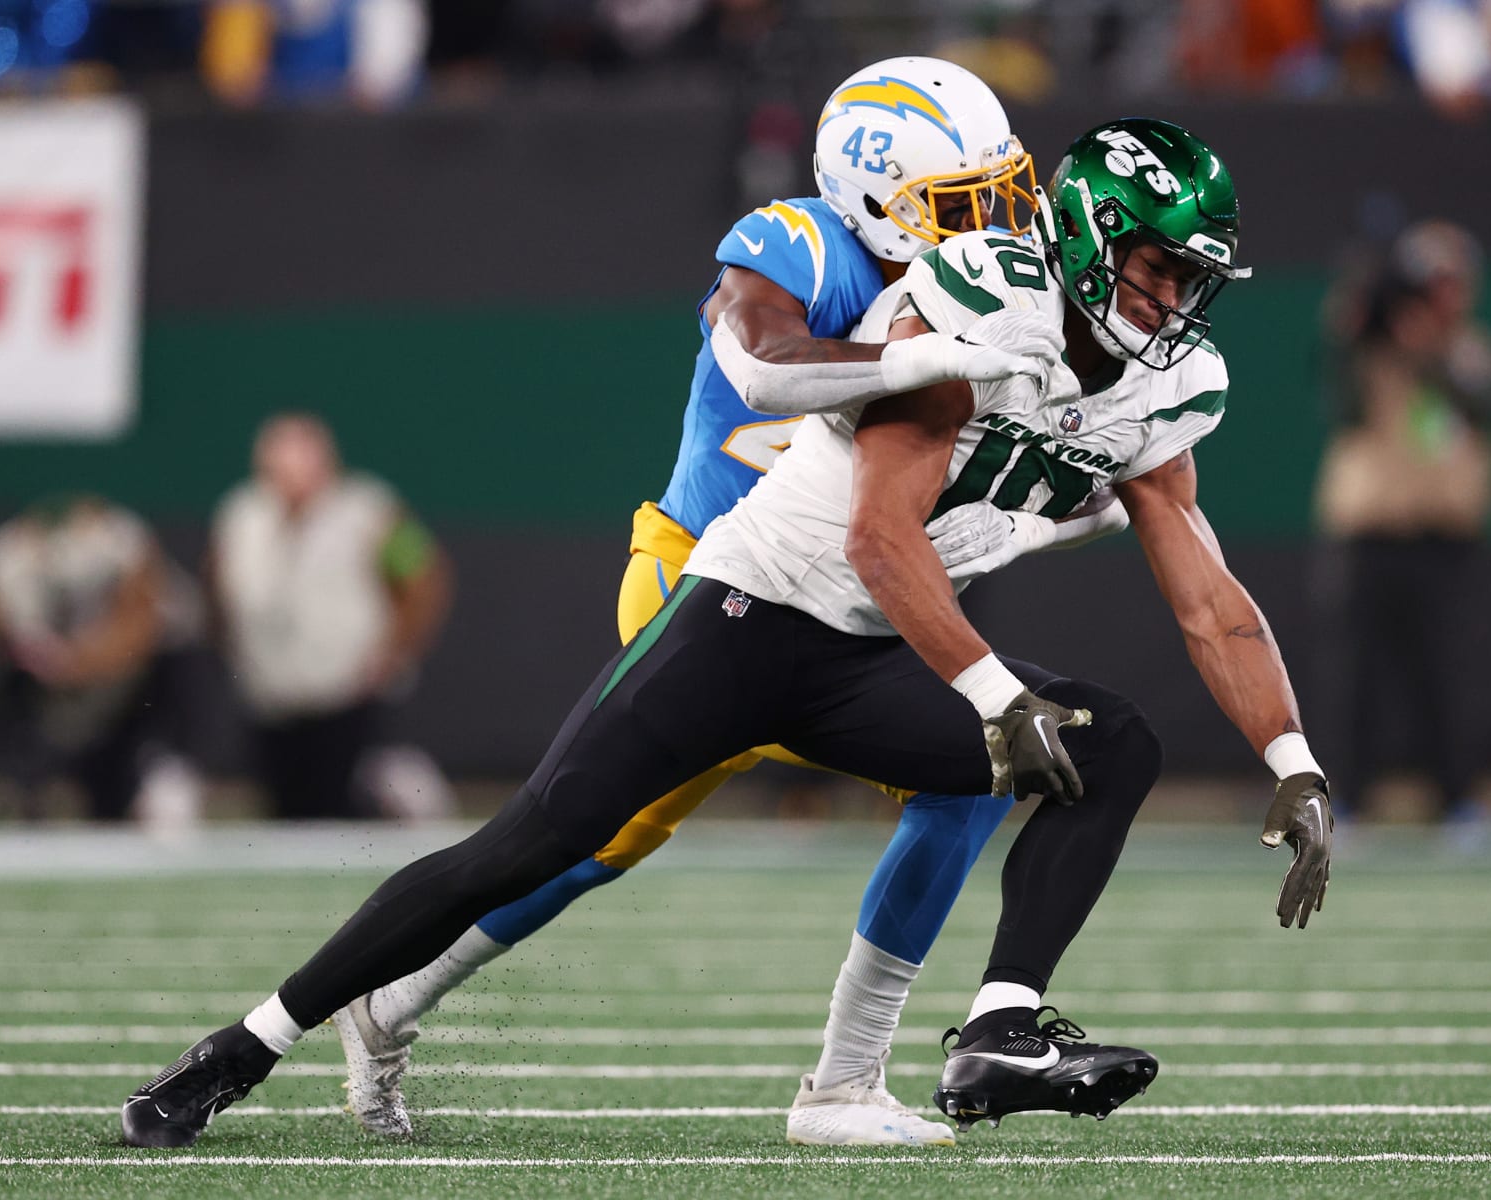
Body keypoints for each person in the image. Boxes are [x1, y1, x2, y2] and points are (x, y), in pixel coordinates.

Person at [119, 117, 1334, 1151]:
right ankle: (244, 1047)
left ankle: (999, 1032)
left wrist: (1290, 757)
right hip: (748, 618)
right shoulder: (985, 302)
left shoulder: (1166, 389)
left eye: (1190, 282)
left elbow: (1209, 597)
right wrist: (988, 689)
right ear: (1086, 237)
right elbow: (878, 538)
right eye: (1157, 271)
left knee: (1109, 744)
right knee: (529, 842)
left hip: (872, 658)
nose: (1171, 303)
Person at [304, 58, 1089, 1148]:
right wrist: (939, 358)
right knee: (593, 840)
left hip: (850, 610)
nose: (988, 226)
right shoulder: (798, 245)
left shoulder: (976, 282)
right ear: (873, 200)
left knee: (971, 776)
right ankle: (381, 1000)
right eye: (958, 206)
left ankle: (846, 1081)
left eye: (998, 194)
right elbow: (766, 358)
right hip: (710, 587)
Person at [1311, 219, 1491, 822]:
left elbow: (1490, 406)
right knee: (1356, 677)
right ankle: (1347, 797)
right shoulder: (1367, 350)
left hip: (1444, 539)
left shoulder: (1475, 351)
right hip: (1369, 535)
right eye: (1429, 286)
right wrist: (1360, 311)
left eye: (1451, 284)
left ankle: (1458, 801)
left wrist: (1430, 347)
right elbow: (1337, 399)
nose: (1441, 297)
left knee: (1446, 677)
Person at [211, 413, 453, 820]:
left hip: (346, 693)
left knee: (343, 809)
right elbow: (218, 587)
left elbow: (422, 576)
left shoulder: (368, 510)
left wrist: (396, 651)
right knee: (284, 810)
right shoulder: (243, 514)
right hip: (270, 696)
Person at [0, 494, 206, 825]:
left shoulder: (123, 540)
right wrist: (35, 648)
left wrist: (81, 659)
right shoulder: (13, 549)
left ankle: (165, 773)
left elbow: (142, 624)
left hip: (128, 690)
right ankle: (24, 791)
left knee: (175, 672)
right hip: (46, 693)